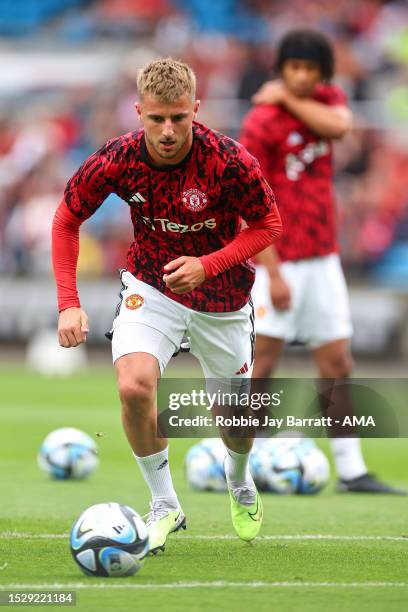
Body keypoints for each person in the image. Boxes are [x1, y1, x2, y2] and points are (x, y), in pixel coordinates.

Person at [52, 58, 283, 554]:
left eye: (179, 117)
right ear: (139, 112)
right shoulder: (118, 158)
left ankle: (239, 478)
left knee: (237, 423)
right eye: (157, 118)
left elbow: (268, 226)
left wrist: (210, 263)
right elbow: (66, 218)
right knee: (134, 387)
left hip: (222, 299)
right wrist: (68, 303)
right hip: (152, 288)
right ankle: (165, 504)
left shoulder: (229, 161)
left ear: (196, 109)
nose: (168, 130)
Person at [240, 29, 405, 495]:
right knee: (261, 365)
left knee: (337, 362)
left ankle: (351, 469)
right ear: (281, 69)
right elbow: (249, 203)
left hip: (323, 257)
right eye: (294, 69)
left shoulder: (324, 103)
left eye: (310, 70)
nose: (302, 77)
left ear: (322, 73)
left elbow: (338, 126)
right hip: (280, 260)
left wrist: (289, 101)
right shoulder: (259, 123)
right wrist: (271, 271)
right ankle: (243, 463)